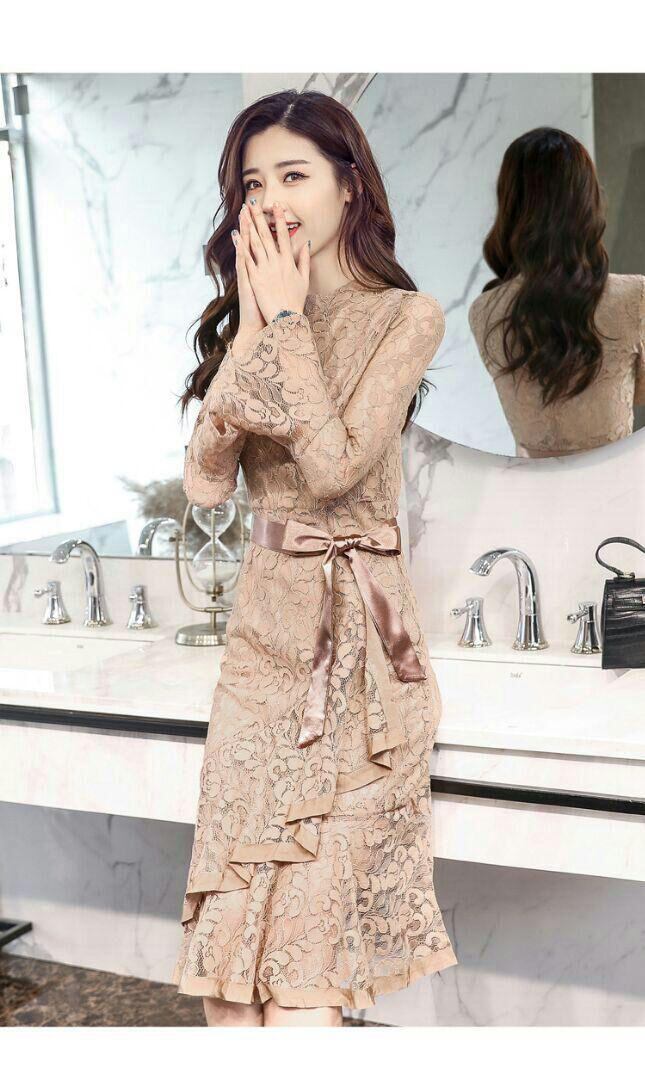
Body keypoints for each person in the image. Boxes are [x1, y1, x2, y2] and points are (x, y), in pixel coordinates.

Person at [173, 89, 457, 1028]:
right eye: (253, 184)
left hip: (360, 670)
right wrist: (256, 329)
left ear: (349, 185)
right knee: (227, 988)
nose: (271, 201)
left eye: (293, 175)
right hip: (260, 662)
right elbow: (205, 481)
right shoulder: (257, 321)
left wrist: (288, 322)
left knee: (304, 985)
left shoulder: (406, 317)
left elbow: (334, 469)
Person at [469, 127, 645, 457]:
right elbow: (638, 394)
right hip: (621, 487)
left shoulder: (484, 312)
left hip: (532, 488)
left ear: (510, 203)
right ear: (588, 200)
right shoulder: (635, 297)